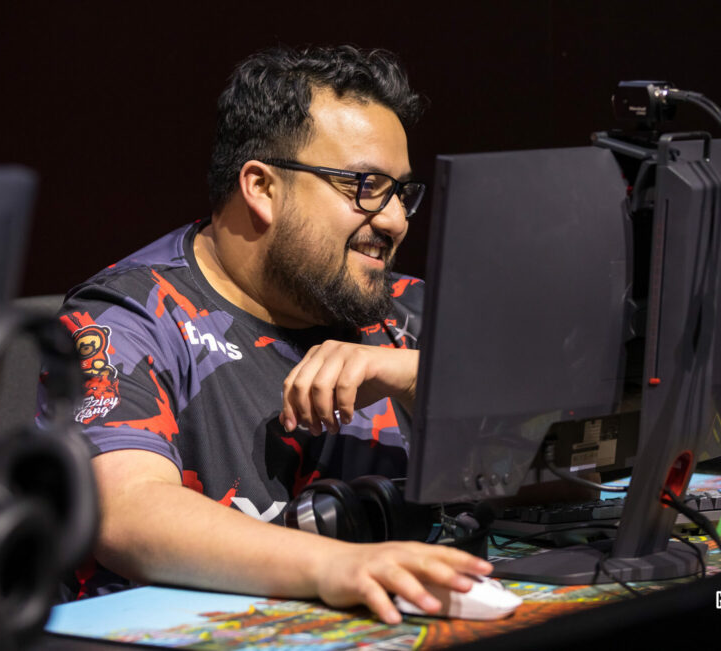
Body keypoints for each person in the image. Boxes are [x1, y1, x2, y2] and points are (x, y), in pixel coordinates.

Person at [52, 45, 492, 623]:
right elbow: (125, 512)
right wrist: (338, 567)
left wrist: (421, 381)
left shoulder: (405, 310)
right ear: (261, 187)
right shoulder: (127, 316)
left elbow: (563, 480)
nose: (394, 220)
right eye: (364, 185)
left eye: (400, 194)